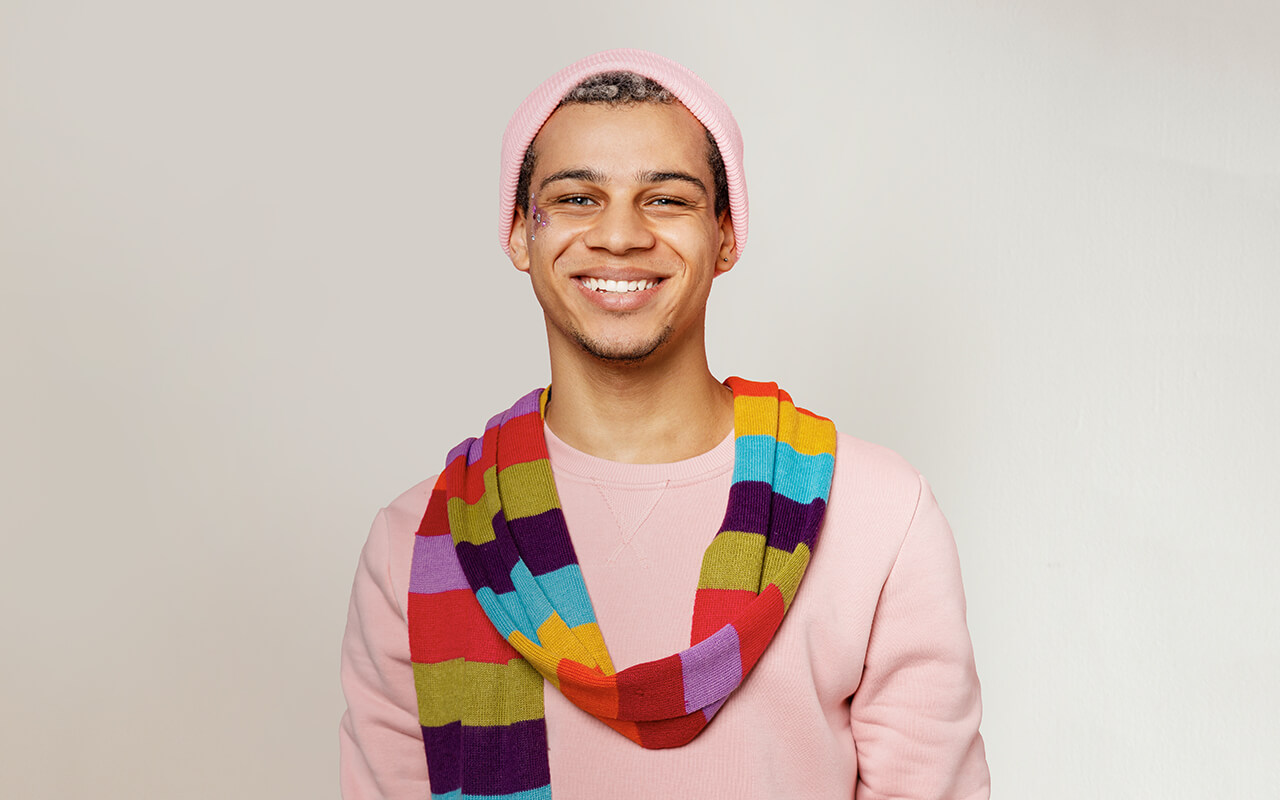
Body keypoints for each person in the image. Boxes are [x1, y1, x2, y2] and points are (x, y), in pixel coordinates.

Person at [339, 49, 989, 799]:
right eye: (578, 198)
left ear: (726, 236)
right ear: (520, 233)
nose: (620, 236)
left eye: (667, 199)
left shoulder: (877, 514)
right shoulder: (422, 540)